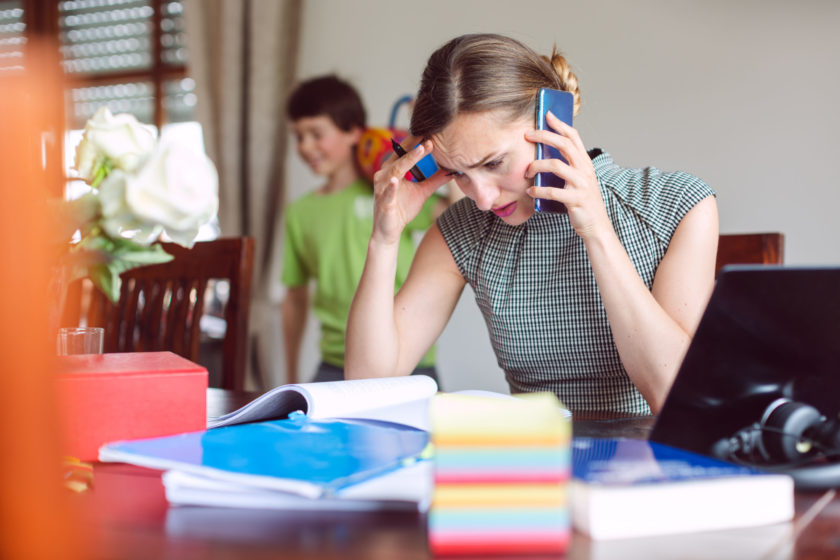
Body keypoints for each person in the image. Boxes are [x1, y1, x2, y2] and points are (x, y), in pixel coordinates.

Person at [345, 34, 719, 414]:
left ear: (553, 123)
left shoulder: (677, 204)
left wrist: (597, 233)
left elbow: (672, 395)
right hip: (532, 463)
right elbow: (366, 384)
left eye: (493, 164)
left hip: (651, 462)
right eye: (458, 173)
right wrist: (384, 239)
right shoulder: (463, 229)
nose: (483, 199)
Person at [281, 75, 445, 384]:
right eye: (298, 136)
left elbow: (456, 213)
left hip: (409, 360)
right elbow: (295, 296)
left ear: (355, 132)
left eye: (316, 134)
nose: (305, 146)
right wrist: (290, 373)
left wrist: (434, 137)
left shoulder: (392, 192)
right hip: (332, 366)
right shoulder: (298, 212)